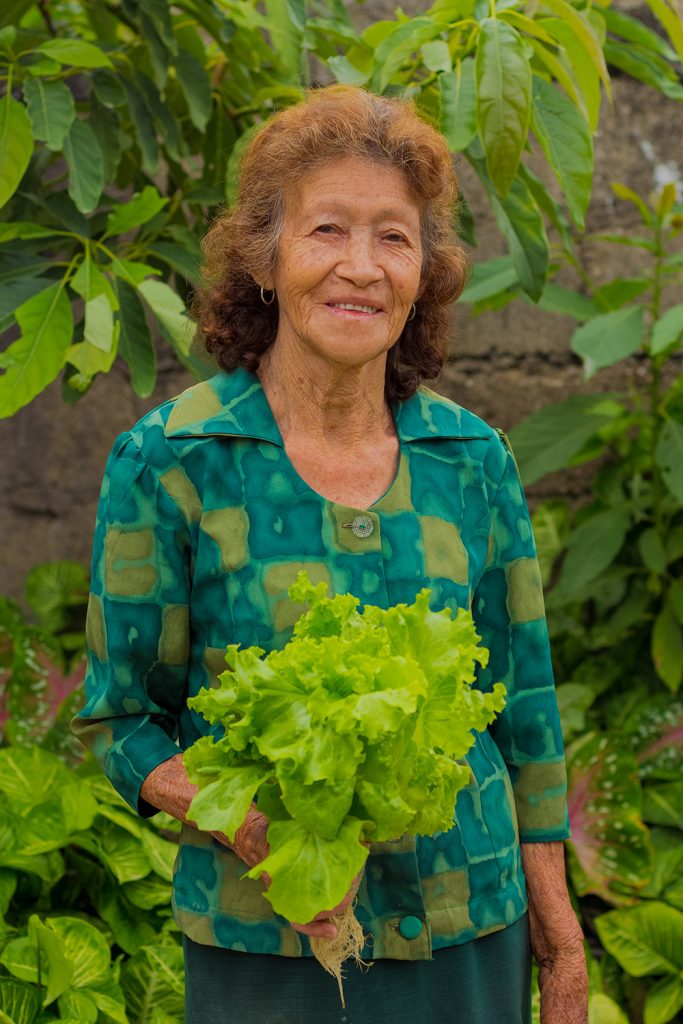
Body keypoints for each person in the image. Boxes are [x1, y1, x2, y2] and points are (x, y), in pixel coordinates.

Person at [73, 85, 587, 1024]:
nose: (361, 267)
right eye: (325, 231)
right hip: (268, 944)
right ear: (265, 257)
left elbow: (525, 715)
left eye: (394, 237)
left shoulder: (471, 459)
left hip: (468, 929)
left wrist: (559, 948)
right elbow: (122, 721)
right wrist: (258, 831)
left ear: (424, 270)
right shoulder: (174, 461)